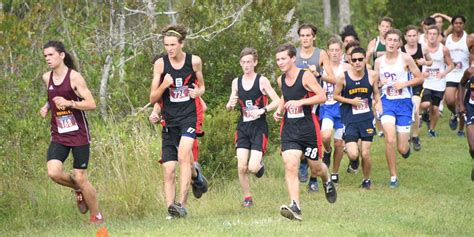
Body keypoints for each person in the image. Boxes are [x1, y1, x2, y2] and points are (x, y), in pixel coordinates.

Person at [39, 40, 103, 224]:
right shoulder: (46, 77)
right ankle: (77, 189)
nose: (48, 59)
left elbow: (91, 104)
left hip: (79, 135)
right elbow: (52, 96)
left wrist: (70, 103)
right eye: (45, 56)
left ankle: (96, 216)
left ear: (62, 55)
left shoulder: (75, 77)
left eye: (51, 55)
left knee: (81, 177)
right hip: (59, 134)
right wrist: (47, 106)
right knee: (53, 173)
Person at [149, 24, 208, 218]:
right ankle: (171, 209)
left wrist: (196, 92)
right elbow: (152, 98)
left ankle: (181, 204)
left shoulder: (194, 61)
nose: (169, 48)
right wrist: (164, 85)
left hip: (189, 117)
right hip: (169, 120)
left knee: (184, 156)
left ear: (181, 43)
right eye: (166, 45)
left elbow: (202, 87)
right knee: (168, 170)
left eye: (173, 44)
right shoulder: (160, 64)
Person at [274, 43, 336, 221]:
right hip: (290, 129)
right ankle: (295, 206)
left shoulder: (305, 76)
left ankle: (327, 179)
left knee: (315, 169)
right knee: (290, 165)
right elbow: (285, 96)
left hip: (308, 129)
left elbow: (322, 96)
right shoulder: (281, 79)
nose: (280, 62)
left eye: (284, 58)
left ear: (293, 58)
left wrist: (300, 103)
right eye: (278, 59)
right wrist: (279, 111)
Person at [225, 47, 280, 207]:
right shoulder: (236, 82)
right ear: (240, 63)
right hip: (243, 128)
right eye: (243, 62)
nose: (246, 65)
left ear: (255, 63)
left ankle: (259, 166)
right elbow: (230, 104)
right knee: (241, 166)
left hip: (259, 127)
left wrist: (262, 110)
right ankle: (248, 198)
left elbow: (277, 101)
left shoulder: (262, 81)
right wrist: (229, 105)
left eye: (249, 62)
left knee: (252, 167)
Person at [374, 29, 424, 188]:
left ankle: (406, 148)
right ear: (385, 41)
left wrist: (404, 84)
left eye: (396, 40)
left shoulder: (406, 58)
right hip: (387, 102)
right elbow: (375, 83)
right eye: (389, 40)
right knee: (389, 139)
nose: (392, 43)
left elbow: (420, 77)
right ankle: (393, 176)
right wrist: (377, 97)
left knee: (402, 148)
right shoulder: (378, 61)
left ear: (399, 43)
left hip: (403, 103)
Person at [295, 23, 336, 192]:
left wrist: (318, 74)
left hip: (315, 103)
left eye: (308, 35)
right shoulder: (294, 55)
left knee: (314, 140)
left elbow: (333, 79)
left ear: (314, 37)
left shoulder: (321, 54)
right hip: (297, 103)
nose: (305, 38)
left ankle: (313, 178)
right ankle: (303, 162)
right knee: (299, 140)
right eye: (302, 35)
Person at [334, 47, 382, 189]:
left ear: (364, 60)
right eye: (354, 60)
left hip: (366, 117)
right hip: (349, 118)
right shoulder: (343, 77)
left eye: (360, 59)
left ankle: (366, 180)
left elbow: (376, 93)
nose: (357, 62)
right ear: (350, 61)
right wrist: (351, 102)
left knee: (366, 153)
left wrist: (378, 103)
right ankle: (353, 161)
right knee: (354, 153)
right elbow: (335, 96)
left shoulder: (372, 75)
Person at [321, 37, 349, 183]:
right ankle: (327, 151)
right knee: (325, 136)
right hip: (327, 106)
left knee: (339, 143)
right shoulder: (322, 68)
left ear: (341, 51)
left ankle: (335, 171)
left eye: (337, 50)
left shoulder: (347, 68)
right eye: (331, 50)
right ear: (327, 52)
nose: (334, 53)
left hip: (342, 108)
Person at [401, 25, 433, 151]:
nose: (412, 38)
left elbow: (430, 61)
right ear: (405, 37)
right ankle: (405, 136)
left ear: (418, 36)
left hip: (417, 84)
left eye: (414, 35)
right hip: (404, 84)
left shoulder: (423, 48)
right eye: (409, 36)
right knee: (406, 111)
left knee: (414, 109)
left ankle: (415, 137)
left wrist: (425, 63)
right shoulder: (401, 50)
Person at [420, 25, 455, 137]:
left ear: (438, 36)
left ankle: (431, 130)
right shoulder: (422, 48)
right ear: (426, 35)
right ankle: (424, 113)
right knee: (425, 104)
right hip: (426, 82)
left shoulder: (443, 49)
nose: (432, 36)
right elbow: (416, 63)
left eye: (434, 34)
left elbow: (451, 65)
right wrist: (422, 73)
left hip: (439, 83)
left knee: (435, 108)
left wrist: (443, 73)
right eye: (430, 34)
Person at [445, 15, 474, 137]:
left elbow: (472, 54)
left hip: (464, 74)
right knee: (450, 100)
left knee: (461, 100)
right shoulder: (448, 39)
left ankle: (461, 129)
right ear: (452, 25)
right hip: (452, 73)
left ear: (463, 24)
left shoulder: (469, 39)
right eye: (455, 23)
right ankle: (454, 113)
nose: (458, 25)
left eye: (460, 23)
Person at [458, 48, 474, 181]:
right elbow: (461, 85)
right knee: (473, 147)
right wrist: (461, 104)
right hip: (471, 109)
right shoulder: (469, 72)